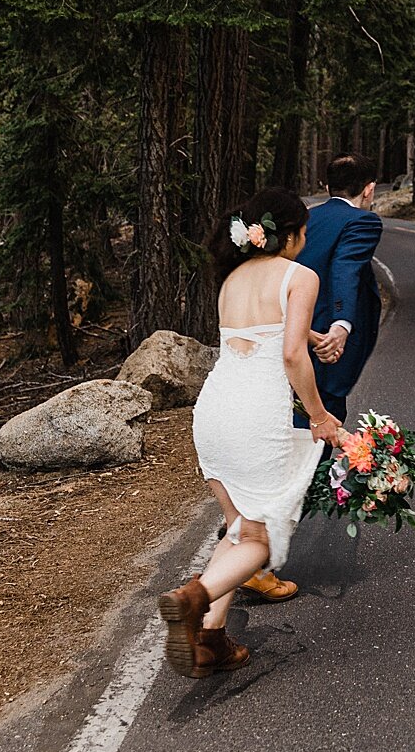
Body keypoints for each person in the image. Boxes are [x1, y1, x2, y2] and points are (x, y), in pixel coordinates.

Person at [158, 188, 342, 678]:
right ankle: (191, 598)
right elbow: (287, 355)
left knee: (238, 526)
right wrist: (320, 417)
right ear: (292, 234)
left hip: (214, 411)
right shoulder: (301, 276)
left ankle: (211, 642)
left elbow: (258, 334)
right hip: (257, 418)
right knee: (259, 542)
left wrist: (310, 334)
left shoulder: (232, 279)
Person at [238, 154, 385, 603]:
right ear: (370, 188)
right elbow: (345, 272)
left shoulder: (305, 221)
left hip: (285, 338)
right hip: (324, 350)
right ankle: (254, 555)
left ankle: (250, 540)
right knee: (309, 442)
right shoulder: (362, 222)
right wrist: (340, 328)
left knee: (287, 434)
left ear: (324, 184)